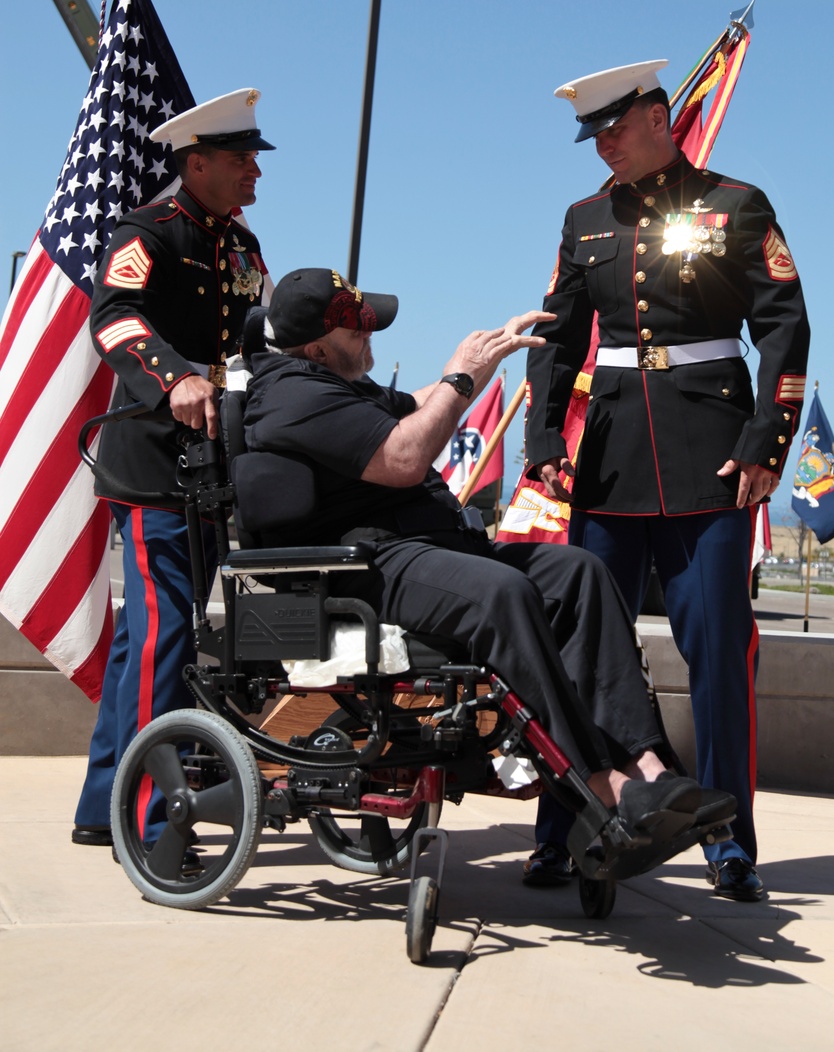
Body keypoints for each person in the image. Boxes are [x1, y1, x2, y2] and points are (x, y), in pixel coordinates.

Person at [241, 266, 735, 863]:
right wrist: (460, 378)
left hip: (422, 547)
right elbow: (402, 456)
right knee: (503, 594)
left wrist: (482, 363)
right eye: (359, 325)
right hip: (363, 563)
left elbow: (415, 406)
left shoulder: (333, 380)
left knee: (579, 574)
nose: (372, 331)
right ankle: (600, 787)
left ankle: (648, 767)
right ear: (318, 345)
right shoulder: (292, 394)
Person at [524, 58, 810, 901]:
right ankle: (565, 830)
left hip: (710, 461)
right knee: (577, 656)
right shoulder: (583, 220)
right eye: (594, 136)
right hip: (608, 464)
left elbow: (785, 330)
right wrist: (543, 434)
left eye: (613, 129)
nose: (602, 147)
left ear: (659, 117)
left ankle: (729, 840)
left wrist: (767, 443)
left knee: (720, 651)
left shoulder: (737, 205)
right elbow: (556, 336)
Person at [73, 89, 273, 846]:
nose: (255, 171)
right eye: (239, 159)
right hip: (154, 459)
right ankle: (156, 819)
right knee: (166, 634)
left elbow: (259, 341)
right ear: (195, 163)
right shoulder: (147, 232)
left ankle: (106, 806)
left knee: (142, 641)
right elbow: (114, 316)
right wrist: (173, 376)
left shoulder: (244, 248)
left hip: (214, 461)